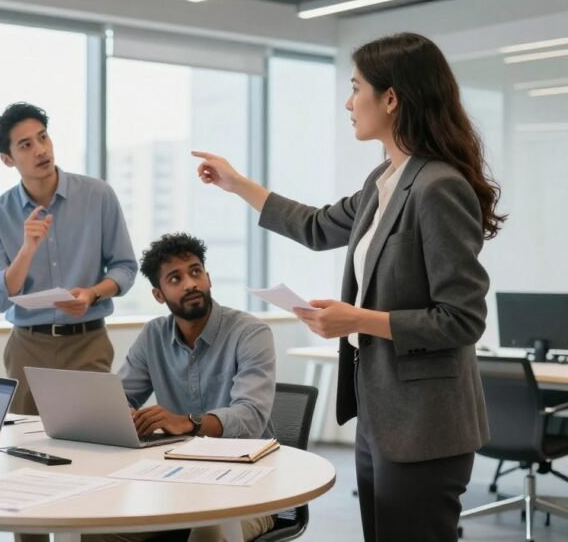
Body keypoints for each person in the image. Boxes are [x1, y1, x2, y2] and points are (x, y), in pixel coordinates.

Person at [192, 32, 502, 542]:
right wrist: (237, 183)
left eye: (356, 87)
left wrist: (355, 319)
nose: (348, 101)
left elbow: (463, 318)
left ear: (392, 98)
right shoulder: (386, 179)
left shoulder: (438, 186)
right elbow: (316, 226)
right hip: (380, 414)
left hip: (426, 426)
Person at [88, 232, 276, 542]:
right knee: (95, 528)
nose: (190, 283)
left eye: (195, 271)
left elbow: (251, 415)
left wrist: (188, 423)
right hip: (174, 480)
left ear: (209, 278)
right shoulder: (154, 335)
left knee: (211, 530)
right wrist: (120, 413)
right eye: (175, 278)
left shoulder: (250, 332)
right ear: (159, 295)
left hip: (249, 484)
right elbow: (120, 396)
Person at [0, 102, 138, 414]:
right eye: (26, 144)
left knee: (95, 446)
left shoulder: (98, 195)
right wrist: (27, 250)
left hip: (87, 341)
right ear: (7, 158)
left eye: (43, 137)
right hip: (28, 347)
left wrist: (92, 294)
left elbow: (126, 267)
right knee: (27, 448)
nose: (40, 150)